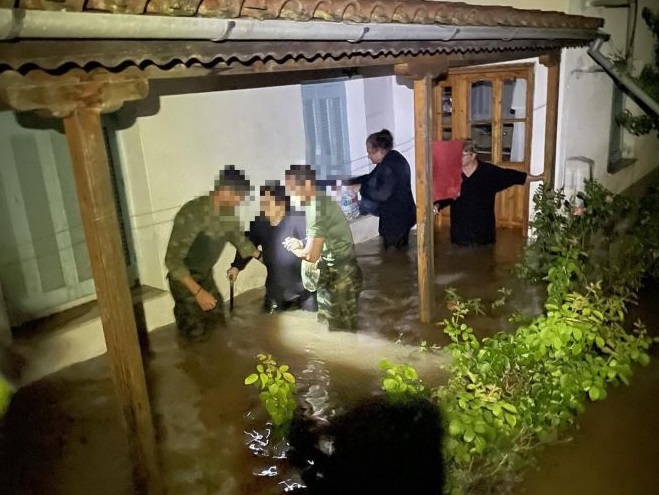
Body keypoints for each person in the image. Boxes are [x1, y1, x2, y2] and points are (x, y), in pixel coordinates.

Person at [165, 165, 262, 340]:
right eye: (238, 197)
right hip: (184, 280)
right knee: (195, 332)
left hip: (205, 276)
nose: (239, 202)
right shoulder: (193, 213)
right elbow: (172, 261)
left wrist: (267, 260)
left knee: (218, 322)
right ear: (224, 191)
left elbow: (241, 241)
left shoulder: (228, 214)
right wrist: (198, 293)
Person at [288, 396, 446, 495]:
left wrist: (312, 454)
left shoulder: (360, 475)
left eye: (340, 446)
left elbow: (342, 480)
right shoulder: (425, 468)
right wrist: (332, 430)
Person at [283, 165, 362, 331]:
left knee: (342, 330)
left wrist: (294, 249)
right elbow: (321, 236)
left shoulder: (316, 208)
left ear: (306, 185)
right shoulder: (319, 199)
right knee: (328, 322)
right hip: (335, 269)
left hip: (341, 275)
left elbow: (311, 256)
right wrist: (302, 244)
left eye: (292, 188)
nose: (290, 194)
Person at [227, 182, 317, 314]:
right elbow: (247, 244)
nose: (263, 208)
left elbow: (314, 244)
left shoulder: (299, 218)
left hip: (304, 292)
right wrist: (236, 266)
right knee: (266, 322)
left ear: (282, 204)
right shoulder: (260, 222)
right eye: (262, 204)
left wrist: (301, 244)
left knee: (310, 322)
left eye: (267, 204)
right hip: (275, 292)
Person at [434, 139, 543, 247]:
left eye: (461, 156)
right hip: (460, 234)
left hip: (484, 235)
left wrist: (538, 178)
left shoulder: (489, 172)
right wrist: (436, 206)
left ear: (473, 155)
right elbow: (445, 195)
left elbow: (514, 176)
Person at [344, 129, 416, 250]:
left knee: (392, 255)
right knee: (400, 252)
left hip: (396, 221)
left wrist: (361, 188)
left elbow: (382, 194)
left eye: (370, 153)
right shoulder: (392, 158)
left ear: (378, 151)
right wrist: (351, 181)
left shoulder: (389, 166)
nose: (368, 156)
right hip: (403, 215)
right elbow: (371, 178)